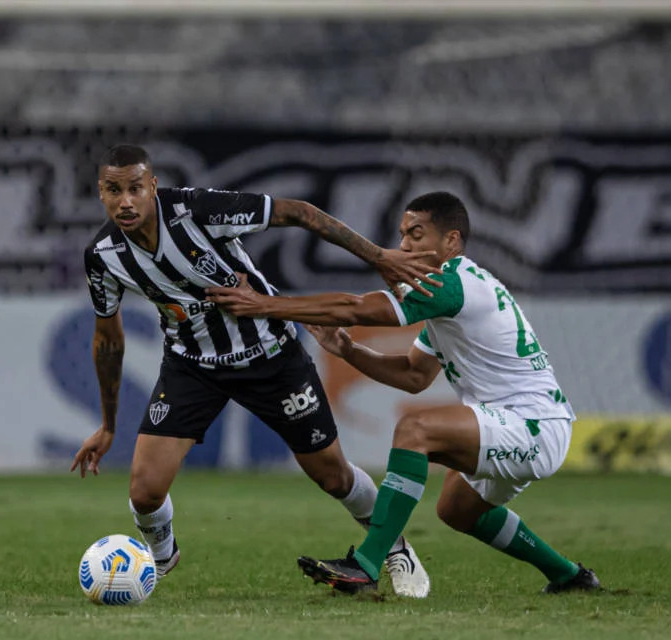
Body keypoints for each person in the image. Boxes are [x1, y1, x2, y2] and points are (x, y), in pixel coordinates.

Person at [71, 144, 439, 597]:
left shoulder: (197, 210)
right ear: (100, 193)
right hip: (192, 365)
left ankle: (394, 545)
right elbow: (108, 337)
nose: (125, 201)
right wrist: (108, 426)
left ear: (153, 187)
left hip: (271, 355)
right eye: (113, 190)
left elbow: (300, 212)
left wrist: (379, 257)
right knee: (144, 491)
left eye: (134, 188)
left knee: (333, 476)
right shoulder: (103, 256)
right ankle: (160, 557)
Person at [206, 190, 601, 595]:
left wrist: (265, 304)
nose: (404, 246)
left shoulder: (451, 284)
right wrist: (348, 350)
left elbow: (358, 307)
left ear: (451, 241)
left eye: (416, 234)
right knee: (456, 511)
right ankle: (571, 576)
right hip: (519, 423)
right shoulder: (452, 294)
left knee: (416, 430)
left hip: (534, 426)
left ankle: (365, 564)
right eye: (402, 235)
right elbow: (414, 375)